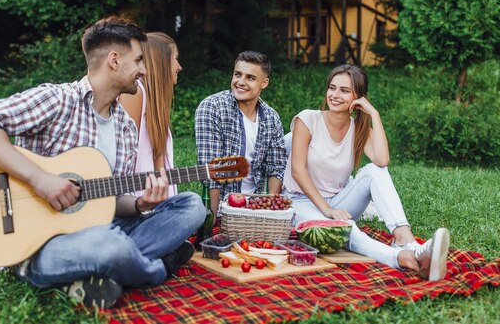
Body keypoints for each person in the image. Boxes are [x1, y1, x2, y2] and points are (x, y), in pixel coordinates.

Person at [0, 16, 206, 309]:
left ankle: (97, 271)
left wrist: (140, 205)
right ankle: (156, 269)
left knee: (190, 206)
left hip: (103, 228)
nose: (144, 70)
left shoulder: (124, 126)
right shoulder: (58, 100)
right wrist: (39, 179)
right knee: (108, 244)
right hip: (42, 243)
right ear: (114, 60)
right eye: (138, 60)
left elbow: (113, 199)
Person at [283, 64, 450, 281]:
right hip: (301, 202)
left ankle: (403, 238)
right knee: (346, 228)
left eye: (344, 90)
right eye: (332, 88)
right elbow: (297, 170)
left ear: (358, 97)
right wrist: (327, 210)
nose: (335, 95)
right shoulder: (308, 119)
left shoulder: (358, 128)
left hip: (338, 202)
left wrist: (374, 114)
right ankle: (404, 258)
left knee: (374, 171)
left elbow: (382, 160)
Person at [195, 51, 287, 217]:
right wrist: (213, 220)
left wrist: (271, 212)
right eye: (238, 74)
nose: (241, 82)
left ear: (264, 83)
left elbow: (276, 168)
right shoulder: (212, 107)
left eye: (250, 78)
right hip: (223, 207)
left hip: (255, 208)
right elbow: (211, 172)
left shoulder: (271, 117)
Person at [119, 32, 182, 197]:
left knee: (192, 204)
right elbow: (125, 154)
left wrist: (165, 200)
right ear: (161, 62)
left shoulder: (156, 102)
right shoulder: (135, 93)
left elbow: (158, 157)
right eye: (176, 58)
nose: (179, 67)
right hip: (132, 198)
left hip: (154, 196)